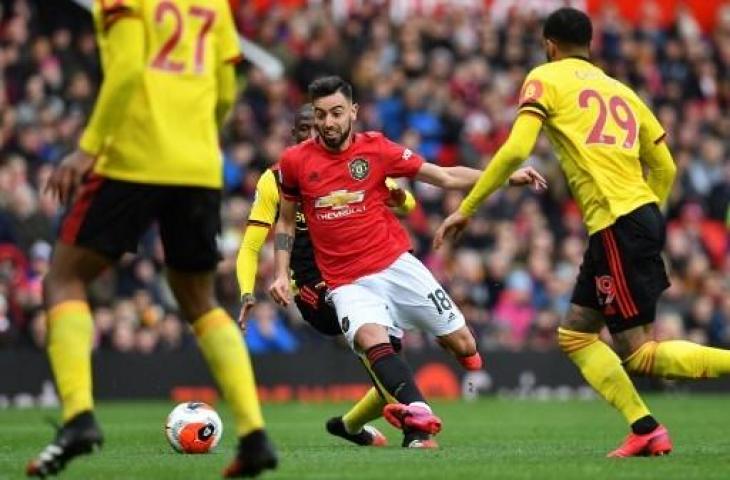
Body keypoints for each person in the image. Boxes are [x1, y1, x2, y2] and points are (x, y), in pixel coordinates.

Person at [435, 7, 730, 458]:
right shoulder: (623, 91)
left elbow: (516, 150)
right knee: (575, 335)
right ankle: (644, 426)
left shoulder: (545, 77)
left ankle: (652, 423)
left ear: (549, 44)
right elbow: (666, 166)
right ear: (589, 44)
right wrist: (650, 212)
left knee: (639, 354)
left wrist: (468, 208)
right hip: (633, 217)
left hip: (617, 223)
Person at [26, 1, 275, 477]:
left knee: (63, 278)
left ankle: (78, 417)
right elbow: (225, 89)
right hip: (199, 163)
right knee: (200, 300)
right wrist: (197, 138)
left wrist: (86, 150)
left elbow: (125, 71)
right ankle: (254, 434)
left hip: (134, 157)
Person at [269, 76, 546, 445]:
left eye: (336, 113)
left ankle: (412, 403)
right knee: (372, 339)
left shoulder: (377, 149)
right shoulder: (294, 162)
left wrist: (507, 178)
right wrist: (279, 273)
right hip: (345, 282)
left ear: (353, 111)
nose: (327, 123)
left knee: (464, 345)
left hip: (395, 265)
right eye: (320, 115)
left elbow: (444, 176)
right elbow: (286, 220)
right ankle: (419, 419)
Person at [237, 104, 429, 448]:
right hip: (313, 287)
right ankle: (416, 430)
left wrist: (397, 195)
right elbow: (251, 245)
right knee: (380, 350)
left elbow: (408, 205)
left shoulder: (351, 165)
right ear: (294, 138)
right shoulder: (276, 180)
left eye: (323, 126)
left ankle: (350, 425)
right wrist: (246, 292)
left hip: (359, 270)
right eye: (307, 129)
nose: (318, 134)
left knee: (388, 358)